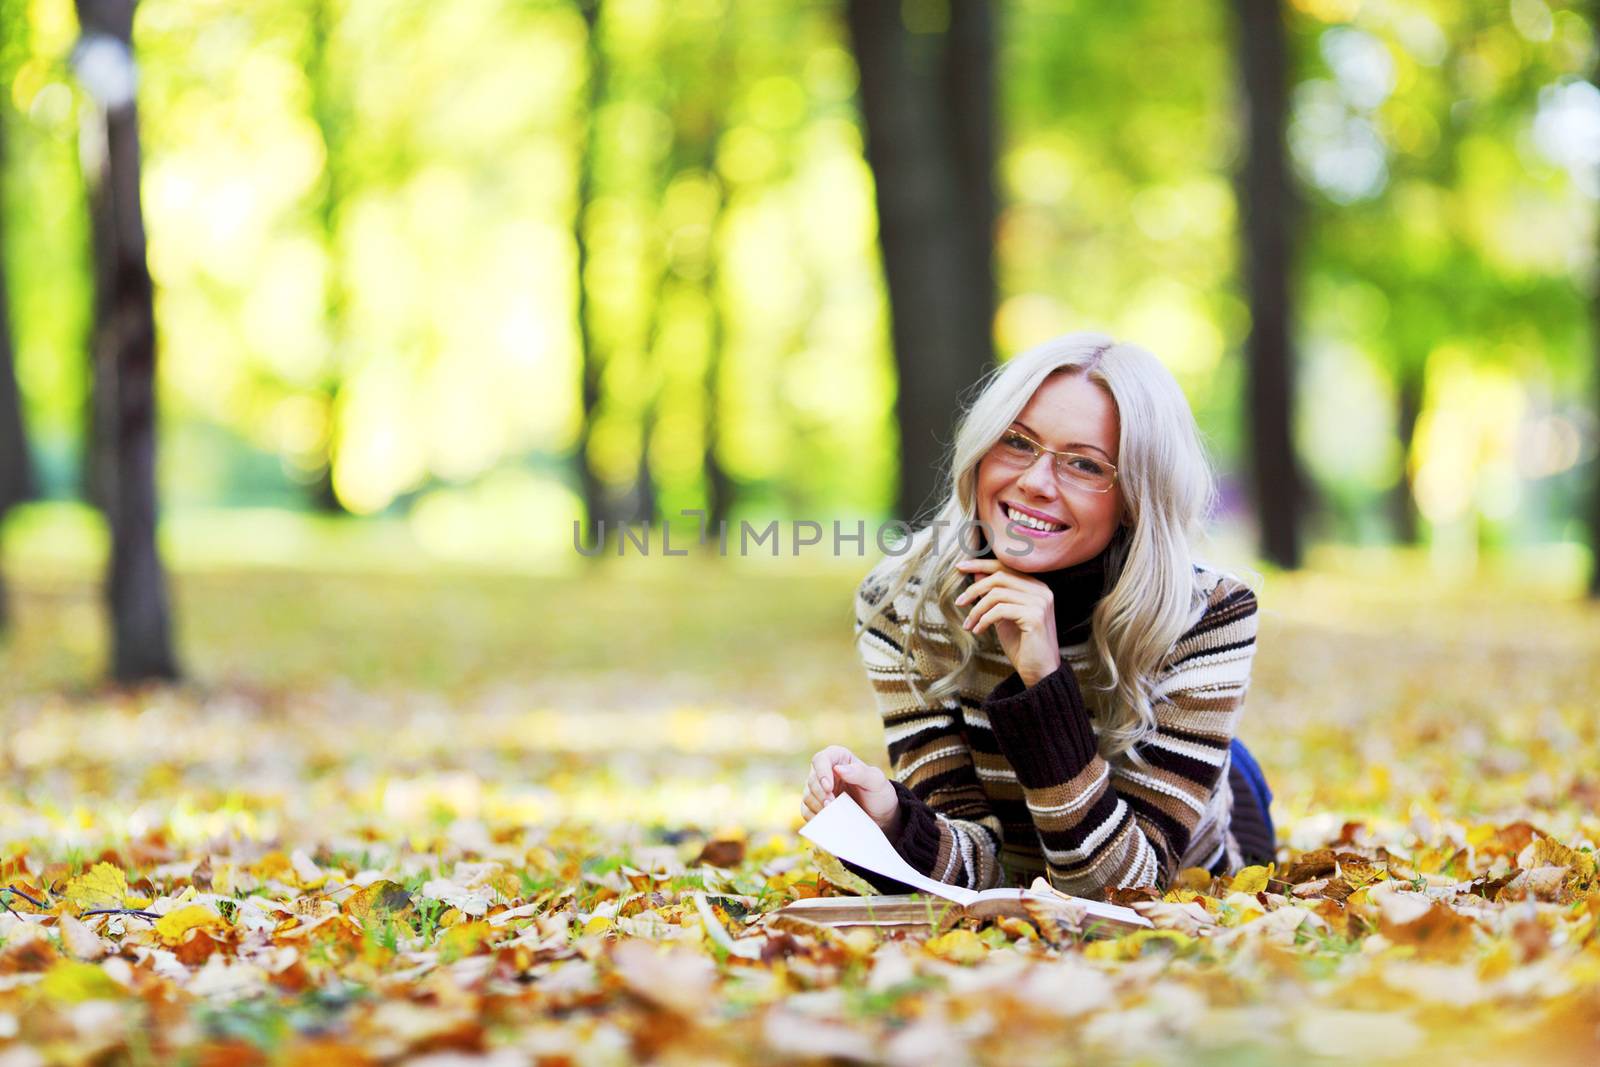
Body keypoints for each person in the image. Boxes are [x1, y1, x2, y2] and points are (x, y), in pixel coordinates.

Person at [798, 332, 1275, 897]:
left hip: (1194, 839)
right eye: (1017, 442)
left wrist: (1045, 682)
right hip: (1040, 849)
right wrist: (894, 824)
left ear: (1135, 498)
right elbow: (977, 870)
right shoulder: (900, 600)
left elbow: (1124, 891)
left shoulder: (1208, 614)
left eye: (1085, 464)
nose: (1034, 482)